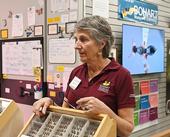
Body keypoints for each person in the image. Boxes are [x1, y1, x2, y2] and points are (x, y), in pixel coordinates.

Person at [33, 15, 135, 137]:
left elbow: (127, 130)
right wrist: (50, 105)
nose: (76, 45)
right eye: (76, 39)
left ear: (101, 43)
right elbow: (66, 113)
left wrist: (105, 112)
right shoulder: (76, 72)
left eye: (83, 39)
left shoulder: (121, 75)